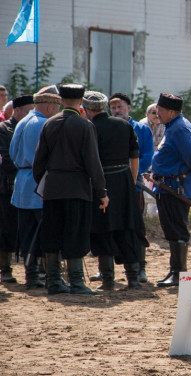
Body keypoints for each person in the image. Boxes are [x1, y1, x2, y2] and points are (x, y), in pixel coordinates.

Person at [33, 84, 108, 295]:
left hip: (53, 187)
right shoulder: (85, 126)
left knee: (52, 233)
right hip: (77, 188)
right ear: (81, 100)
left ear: (61, 100)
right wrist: (101, 191)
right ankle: (76, 282)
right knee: (76, 233)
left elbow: (39, 162)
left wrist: (43, 187)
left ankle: (54, 281)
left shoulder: (49, 124)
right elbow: (93, 162)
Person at [83, 91, 148, 290]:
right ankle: (133, 278)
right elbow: (134, 156)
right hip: (125, 181)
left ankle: (108, 280)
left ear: (86, 109)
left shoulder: (89, 128)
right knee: (127, 228)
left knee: (103, 229)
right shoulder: (124, 125)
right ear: (104, 107)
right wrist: (133, 181)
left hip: (101, 183)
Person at [151, 93, 191, 287]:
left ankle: (179, 273)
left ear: (172, 112)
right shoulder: (173, 126)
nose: (158, 113)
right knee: (172, 229)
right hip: (168, 186)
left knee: (177, 229)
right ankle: (175, 271)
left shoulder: (179, 129)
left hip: (175, 187)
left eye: (161, 110)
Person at [10, 86, 60, 289]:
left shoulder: (22, 121)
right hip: (39, 183)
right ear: (50, 107)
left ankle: (31, 275)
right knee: (42, 231)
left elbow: (13, 153)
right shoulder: (43, 124)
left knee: (27, 231)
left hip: (22, 181)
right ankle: (43, 275)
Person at [108, 92, 153, 282]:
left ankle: (140, 268)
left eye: (120, 107)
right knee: (108, 226)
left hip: (134, 186)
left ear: (129, 108)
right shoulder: (106, 128)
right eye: (113, 107)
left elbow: (146, 156)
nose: (116, 110)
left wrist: (129, 175)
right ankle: (106, 270)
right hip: (110, 186)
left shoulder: (142, 130)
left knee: (136, 227)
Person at [0, 95, 34, 283]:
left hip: (29, 184)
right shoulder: (4, 129)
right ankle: (5, 268)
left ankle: (34, 268)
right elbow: (6, 157)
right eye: (28, 111)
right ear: (17, 111)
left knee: (31, 226)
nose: (31, 115)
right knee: (7, 227)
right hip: (8, 185)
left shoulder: (34, 127)